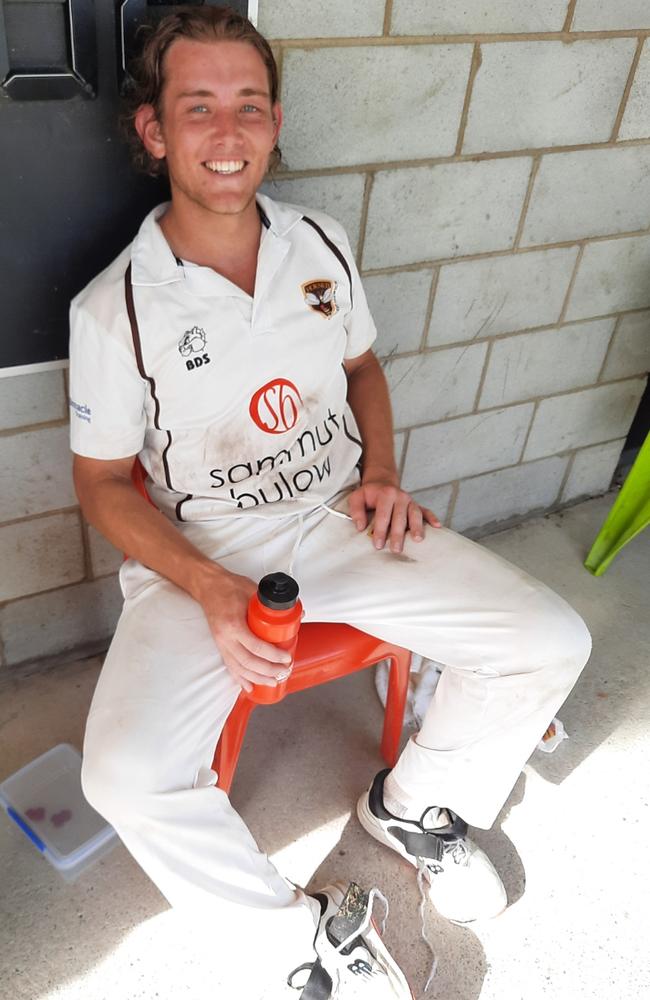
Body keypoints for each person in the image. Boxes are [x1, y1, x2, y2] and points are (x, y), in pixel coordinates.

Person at [68, 7, 592, 999]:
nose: (227, 135)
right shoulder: (115, 308)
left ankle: (415, 807)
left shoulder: (318, 242)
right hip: (205, 553)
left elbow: (361, 366)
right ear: (154, 131)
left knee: (550, 636)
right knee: (123, 775)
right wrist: (210, 588)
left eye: (249, 107)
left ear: (272, 123)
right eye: (198, 108)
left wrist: (382, 473)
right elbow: (100, 485)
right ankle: (299, 938)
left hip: (339, 515)